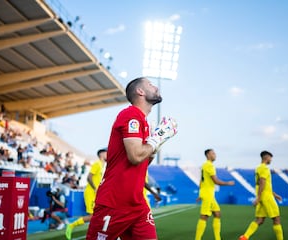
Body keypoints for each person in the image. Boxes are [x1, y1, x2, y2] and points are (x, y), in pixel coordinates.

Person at [86, 77, 177, 239]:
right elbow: (135, 156)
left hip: (137, 204)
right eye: (150, 84)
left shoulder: (144, 122)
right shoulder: (131, 115)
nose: (155, 87)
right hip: (114, 202)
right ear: (140, 91)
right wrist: (157, 138)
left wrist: (157, 143)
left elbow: (142, 162)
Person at [239, 151, 284, 240]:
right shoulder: (265, 168)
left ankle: (245, 237)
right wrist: (258, 198)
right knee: (276, 218)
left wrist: (274, 195)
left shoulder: (258, 168)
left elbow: (265, 185)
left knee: (260, 219)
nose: (271, 160)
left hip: (263, 196)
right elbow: (262, 183)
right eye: (270, 158)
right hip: (266, 197)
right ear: (266, 158)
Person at [65, 148, 107, 240]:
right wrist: (95, 188)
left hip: (96, 194)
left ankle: (95, 234)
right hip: (91, 193)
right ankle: (71, 225)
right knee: (94, 216)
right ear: (101, 154)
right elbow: (89, 177)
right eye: (106, 152)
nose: (108, 153)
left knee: (99, 216)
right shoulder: (97, 164)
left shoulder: (103, 166)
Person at [195, 149, 235, 240]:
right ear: (208, 155)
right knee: (204, 216)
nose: (215, 155)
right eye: (213, 153)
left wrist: (200, 193)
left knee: (217, 213)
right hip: (208, 194)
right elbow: (216, 181)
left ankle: (217, 238)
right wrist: (228, 183)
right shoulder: (209, 165)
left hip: (207, 193)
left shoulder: (205, 165)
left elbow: (201, 181)